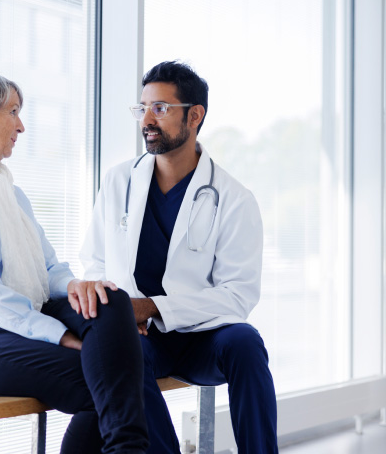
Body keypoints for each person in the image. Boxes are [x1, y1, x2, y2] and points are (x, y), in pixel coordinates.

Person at [0, 68, 149, 454]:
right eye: (13, 112)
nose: (21, 126)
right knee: (102, 379)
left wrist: (75, 287)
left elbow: (48, 268)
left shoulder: (9, 192)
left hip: (21, 317)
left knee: (109, 300)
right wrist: (61, 336)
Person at [80, 61, 278, 453]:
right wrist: (122, 313)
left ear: (195, 115)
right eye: (143, 108)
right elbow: (95, 263)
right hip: (142, 338)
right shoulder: (118, 181)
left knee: (246, 343)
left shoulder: (234, 199)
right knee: (124, 354)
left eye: (161, 108)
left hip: (202, 337)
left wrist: (150, 307)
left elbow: (238, 294)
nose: (147, 120)